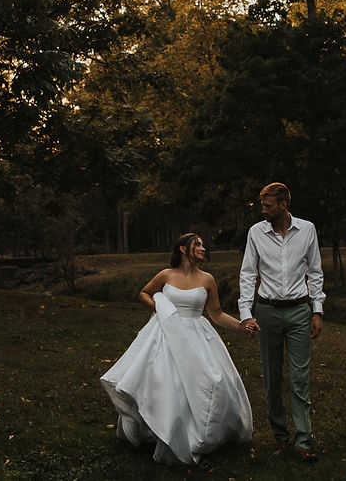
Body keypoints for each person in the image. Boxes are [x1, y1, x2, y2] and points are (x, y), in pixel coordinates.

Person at [100, 233, 256, 465]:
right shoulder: (166, 275)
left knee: (208, 382)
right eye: (198, 244)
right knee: (165, 383)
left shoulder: (207, 279)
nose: (203, 248)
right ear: (183, 249)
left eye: (204, 245)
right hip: (165, 334)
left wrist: (241, 325)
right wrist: (160, 309)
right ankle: (157, 430)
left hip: (196, 336)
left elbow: (216, 314)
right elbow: (144, 292)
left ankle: (198, 432)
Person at [238, 182, 325, 463]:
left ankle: (303, 441)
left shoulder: (307, 230)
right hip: (267, 312)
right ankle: (281, 438)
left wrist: (317, 310)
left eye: (268, 205)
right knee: (272, 377)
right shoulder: (256, 233)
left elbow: (315, 271)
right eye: (262, 205)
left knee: (300, 378)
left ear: (283, 205)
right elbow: (248, 274)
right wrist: (246, 313)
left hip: (300, 311)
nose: (263, 210)